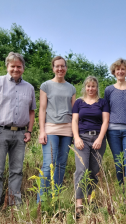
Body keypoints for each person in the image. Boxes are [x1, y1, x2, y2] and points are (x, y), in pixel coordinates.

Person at [0, 52, 36, 209]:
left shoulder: (29, 88)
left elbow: (32, 111)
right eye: (13, 66)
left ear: (23, 68)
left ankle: (14, 207)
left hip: (20, 134)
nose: (16, 69)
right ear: (7, 66)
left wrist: (29, 131)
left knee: (17, 172)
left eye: (19, 66)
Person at [37, 56, 76, 202]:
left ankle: (55, 199)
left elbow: (74, 112)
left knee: (61, 165)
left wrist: (74, 133)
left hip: (67, 129)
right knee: (49, 164)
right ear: (53, 68)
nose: (60, 69)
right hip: (51, 128)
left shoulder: (71, 88)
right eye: (57, 66)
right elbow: (42, 109)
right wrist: (42, 131)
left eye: (62, 66)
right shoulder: (46, 86)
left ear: (66, 68)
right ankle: (41, 202)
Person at [104, 58, 126, 211]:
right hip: (113, 131)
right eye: (117, 69)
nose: (120, 71)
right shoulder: (109, 90)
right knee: (119, 165)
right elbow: (106, 110)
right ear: (114, 72)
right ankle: (121, 195)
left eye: (123, 69)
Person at [72, 76, 110, 218]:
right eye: (88, 86)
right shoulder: (78, 103)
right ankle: (79, 205)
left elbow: (105, 121)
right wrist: (76, 138)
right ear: (85, 87)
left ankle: (91, 201)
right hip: (82, 138)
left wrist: (100, 138)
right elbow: (74, 120)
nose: (91, 89)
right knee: (81, 170)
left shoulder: (102, 102)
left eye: (93, 86)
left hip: (98, 139)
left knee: (94, 171)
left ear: (97, 88)